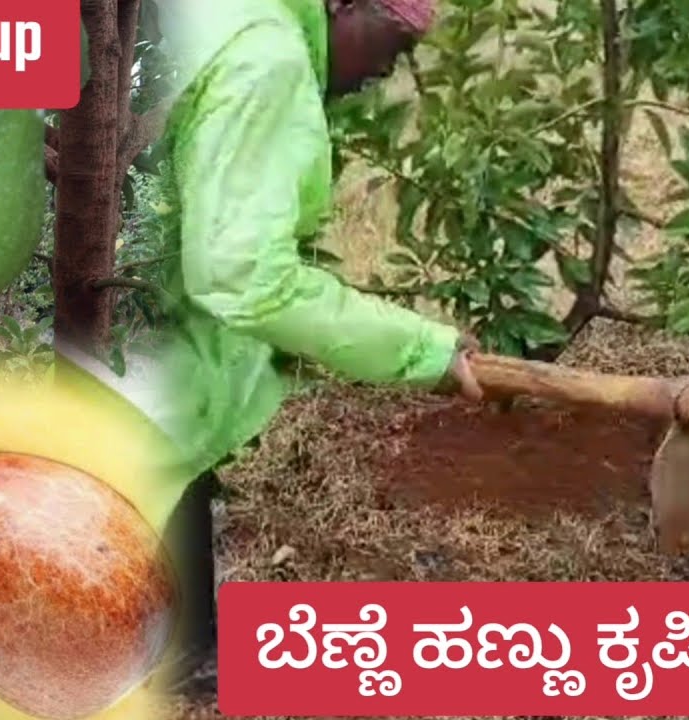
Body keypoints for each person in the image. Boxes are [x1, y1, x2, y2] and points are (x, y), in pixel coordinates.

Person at [140, 0, 485, 687]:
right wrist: (421, 350)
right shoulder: (269, 60)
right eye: (396, 34)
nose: (397, 63)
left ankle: (185, 646)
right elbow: (245, 278)